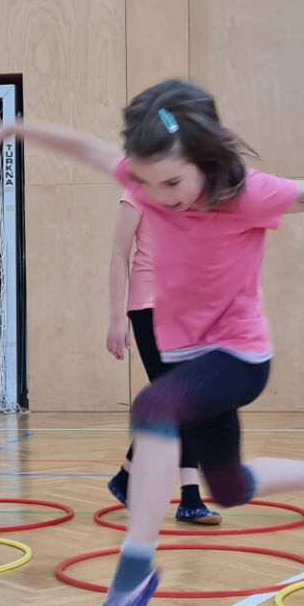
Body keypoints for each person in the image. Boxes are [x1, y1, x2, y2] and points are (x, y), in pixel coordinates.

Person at [0, 79, 304, 606]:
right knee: (226, 489)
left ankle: (135, 568)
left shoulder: (249, 194)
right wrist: (15, 128)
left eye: (174, 181)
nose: (161, 194)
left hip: (238, 358)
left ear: (204, 158)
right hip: (187, 362)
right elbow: (84, 148)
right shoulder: (144, 178)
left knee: (154, 407)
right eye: (149, 183)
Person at [106, 194, 220, 525]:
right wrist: (116, 319)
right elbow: (118, 255)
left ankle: (130, 479)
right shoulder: (136, 191)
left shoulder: (193, 190)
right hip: (149, 307)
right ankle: (189, 497)